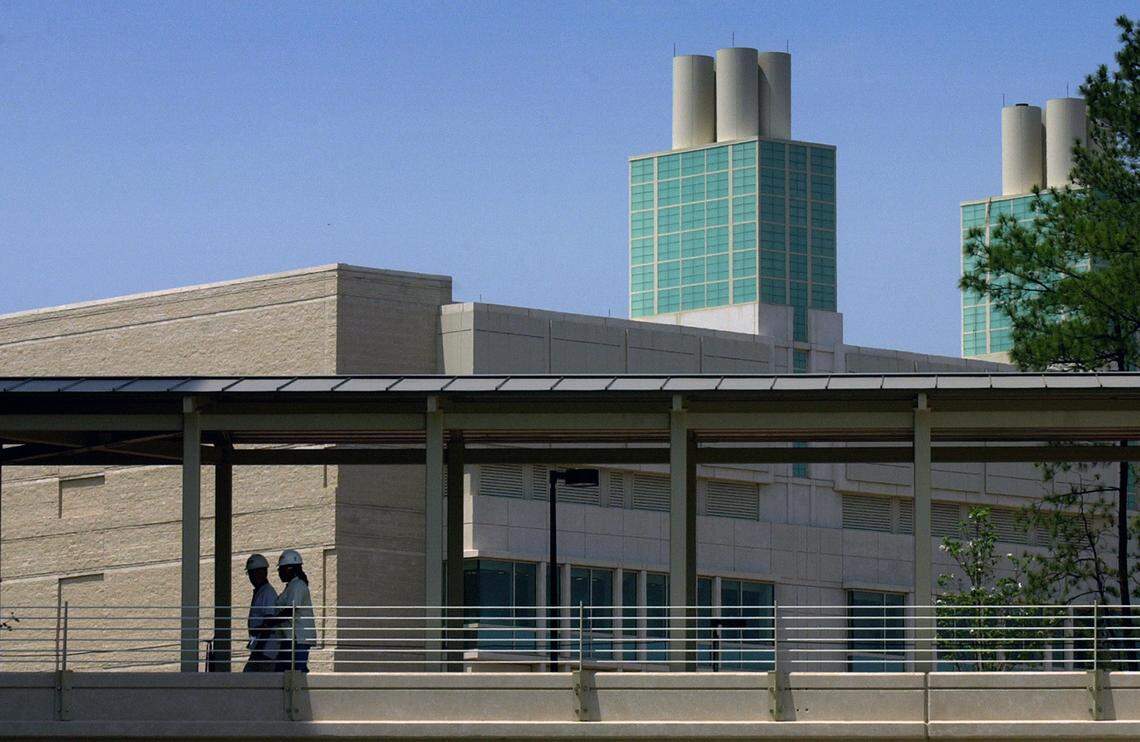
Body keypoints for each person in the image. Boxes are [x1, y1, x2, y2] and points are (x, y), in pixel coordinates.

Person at [274, 549, 316, 672]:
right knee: (283, 672)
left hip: (298, 638)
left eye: (280, 570)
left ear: (289, 569)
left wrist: (272, 621)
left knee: (296, 672)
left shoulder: (298, 585)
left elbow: (291, 609)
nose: (279, 573)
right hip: (289, 638)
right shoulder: (291, 586)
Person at [243, 553, 280, 672]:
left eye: (254, 573)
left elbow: (269, 622)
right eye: (250, 574)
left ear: (263, 572)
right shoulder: (260, 592)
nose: (252, 577)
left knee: (254, 680)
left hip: (265, 651)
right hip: (260, 648)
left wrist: (259, 649)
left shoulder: (267, 593)